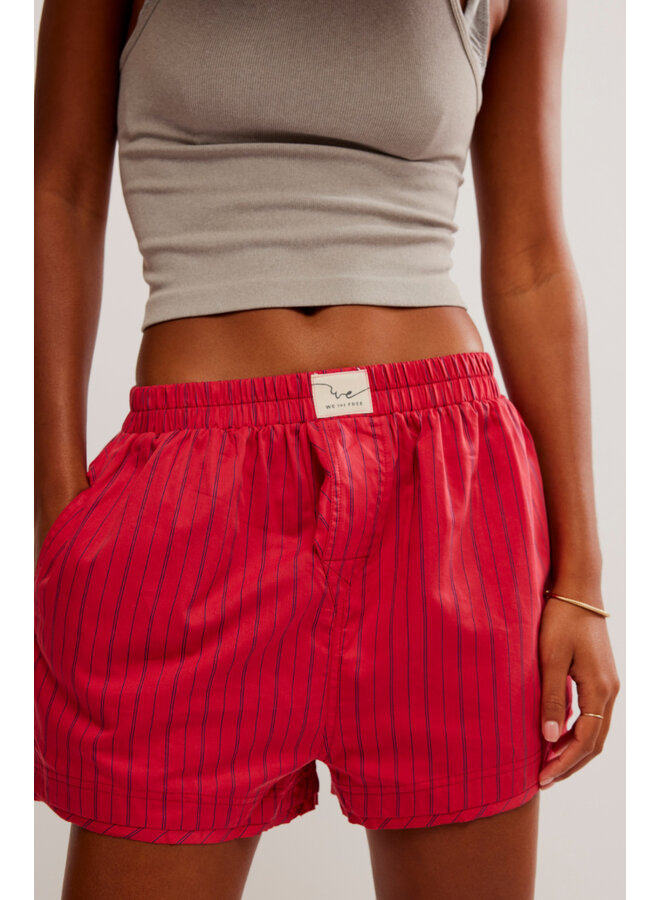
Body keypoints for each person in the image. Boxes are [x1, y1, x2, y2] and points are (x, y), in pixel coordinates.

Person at [34, 1, 620, 897]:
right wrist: (56, 512)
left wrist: (582, 578)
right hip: (194, 490)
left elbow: (533, 257)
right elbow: (60, 194)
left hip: (448, 492)